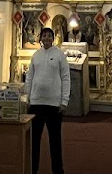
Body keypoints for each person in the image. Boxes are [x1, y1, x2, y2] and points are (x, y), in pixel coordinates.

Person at [25, 27, 69, 174]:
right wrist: (27, 97)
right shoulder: (36, 55)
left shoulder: (59, 55)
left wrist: (64, 100)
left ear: (53, 38)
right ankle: (32, 169)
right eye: (44, 36)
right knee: (34, 140)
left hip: (53, 104)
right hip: (36, 103)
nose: (46, 38)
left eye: (49, 36)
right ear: (40, 38)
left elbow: (65, 78)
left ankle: (58, 170)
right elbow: (29, 77)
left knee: (55, 140)